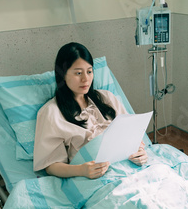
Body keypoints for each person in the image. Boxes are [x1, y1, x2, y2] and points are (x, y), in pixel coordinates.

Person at [33, 42, 148, 179]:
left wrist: (140, 153)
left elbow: (132, 136)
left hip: (129, 167)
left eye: (89, 71)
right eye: (78, 73)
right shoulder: (51, 113)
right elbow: (50, 166)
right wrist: (81, 170)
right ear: (62, 74)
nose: (85, 79)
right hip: (94, 178)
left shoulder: (107, 98)